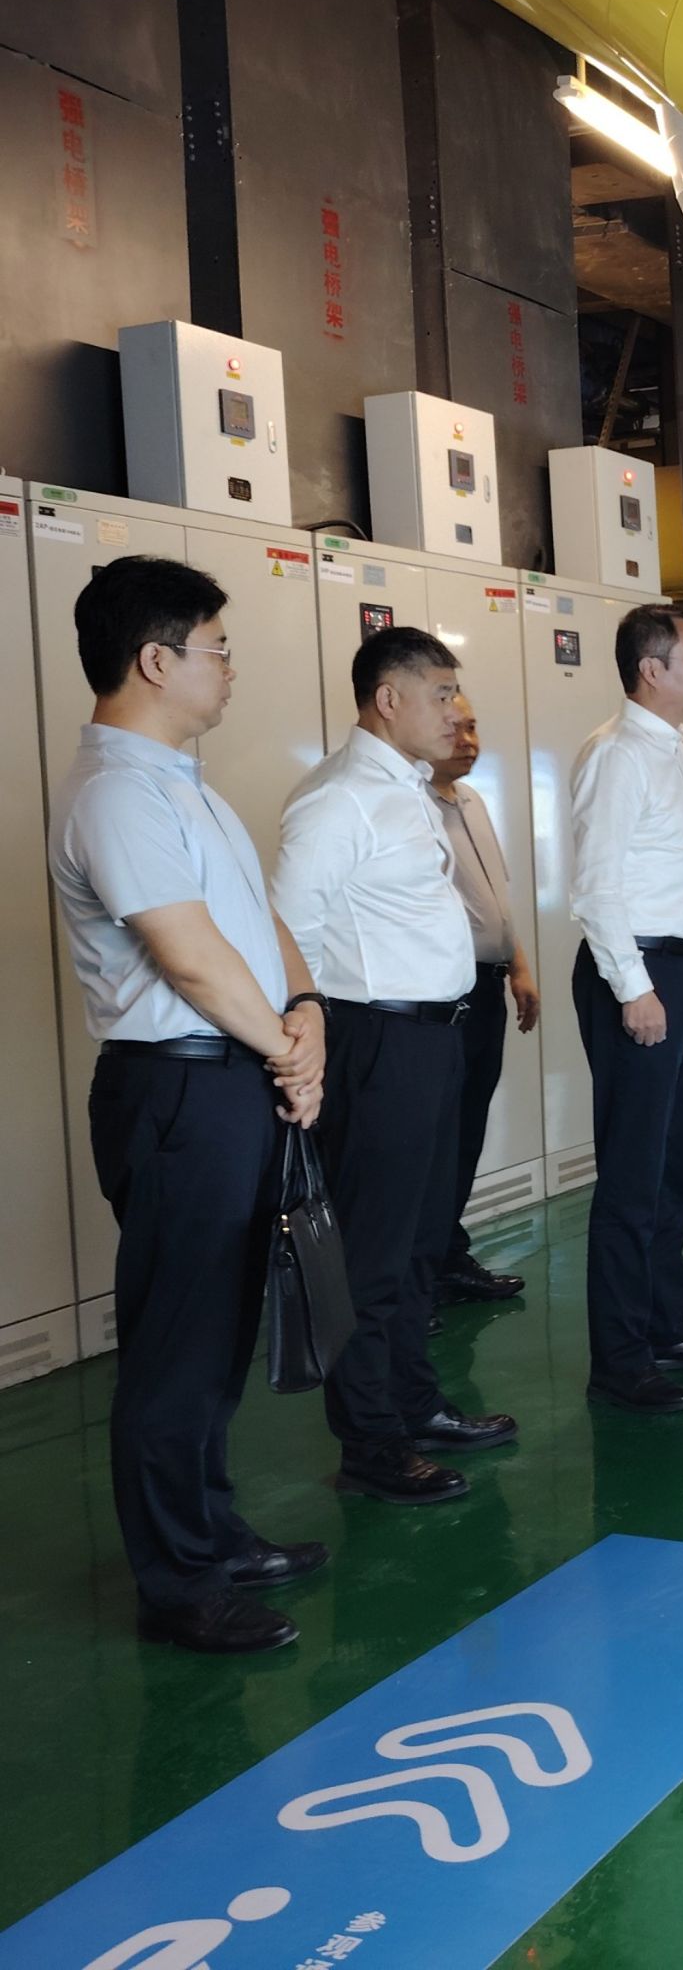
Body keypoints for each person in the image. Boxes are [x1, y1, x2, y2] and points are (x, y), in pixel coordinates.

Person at [46, 555, 328, 1655]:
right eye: (218, 648)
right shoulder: (117, 793)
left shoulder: (182, 784)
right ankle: (179, 1584)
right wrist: (288, 1050)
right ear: (156, 660)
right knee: (176, 1340)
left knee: (218, 1329)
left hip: (233, 1071)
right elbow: (191, 957)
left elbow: (257, 925)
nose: (231, 668)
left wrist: (305, 1011)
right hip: (177, 1087)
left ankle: (212, 1533)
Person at [271, 626, 518, 1503]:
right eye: (441, 694)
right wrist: (307, 1046)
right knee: (373, 1255)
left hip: (433, 1037)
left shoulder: (408, 789)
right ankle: (372, 1445)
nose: (456, 711)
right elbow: (285, 931)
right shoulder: (338, 799)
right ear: (388, 700)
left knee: (419, 1243)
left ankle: (416, 1404)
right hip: (374, 1041)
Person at [569, 603, 683, 1414]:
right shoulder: (617, 755)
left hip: (673, 966)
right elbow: (596, 885)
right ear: (651, 670)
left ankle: (665, 1325)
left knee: (674, 1163)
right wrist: (633, 987)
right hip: (632, 972)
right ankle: (620, 1359)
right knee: (632, 1172)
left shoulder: (672, 752)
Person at [427, 694, 541, 1305]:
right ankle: (415, 1274)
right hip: (441, 993)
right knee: (434, 1133)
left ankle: (447, 1254)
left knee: (468, 1125)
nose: (468, 739)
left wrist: (518, 967)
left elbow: (496, 898)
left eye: (473, 726)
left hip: (487, 984)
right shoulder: (413, 805)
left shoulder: (471, 801)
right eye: (455, 727)